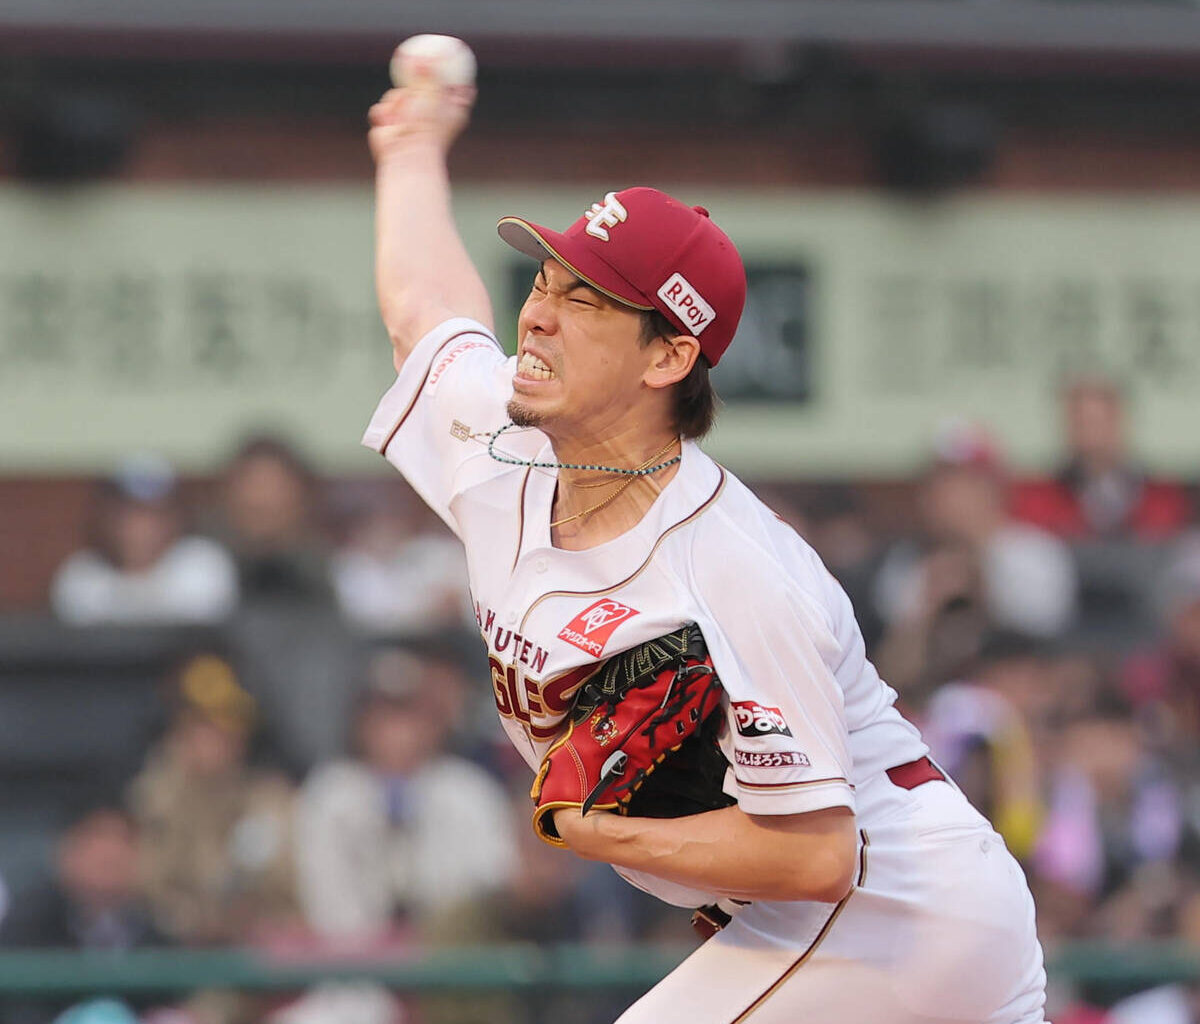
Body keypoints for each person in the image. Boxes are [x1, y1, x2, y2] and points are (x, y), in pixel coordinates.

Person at [361, 61, 1047, 1024]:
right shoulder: (501, 446)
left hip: (897, 905)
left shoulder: (734, 565)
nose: (538, 313)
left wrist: (596, 830)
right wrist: (412, 150)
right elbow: (424, 315)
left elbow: (815, 854)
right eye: (546, 281)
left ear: (670, 355)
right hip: (825, 917)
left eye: (586, 300)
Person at [51, 454, 237, 625]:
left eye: (154, 514)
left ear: (176, 517)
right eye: (130, 514)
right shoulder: (81, 575)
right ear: (108, 518)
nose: (143, 526)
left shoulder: (203, 563)